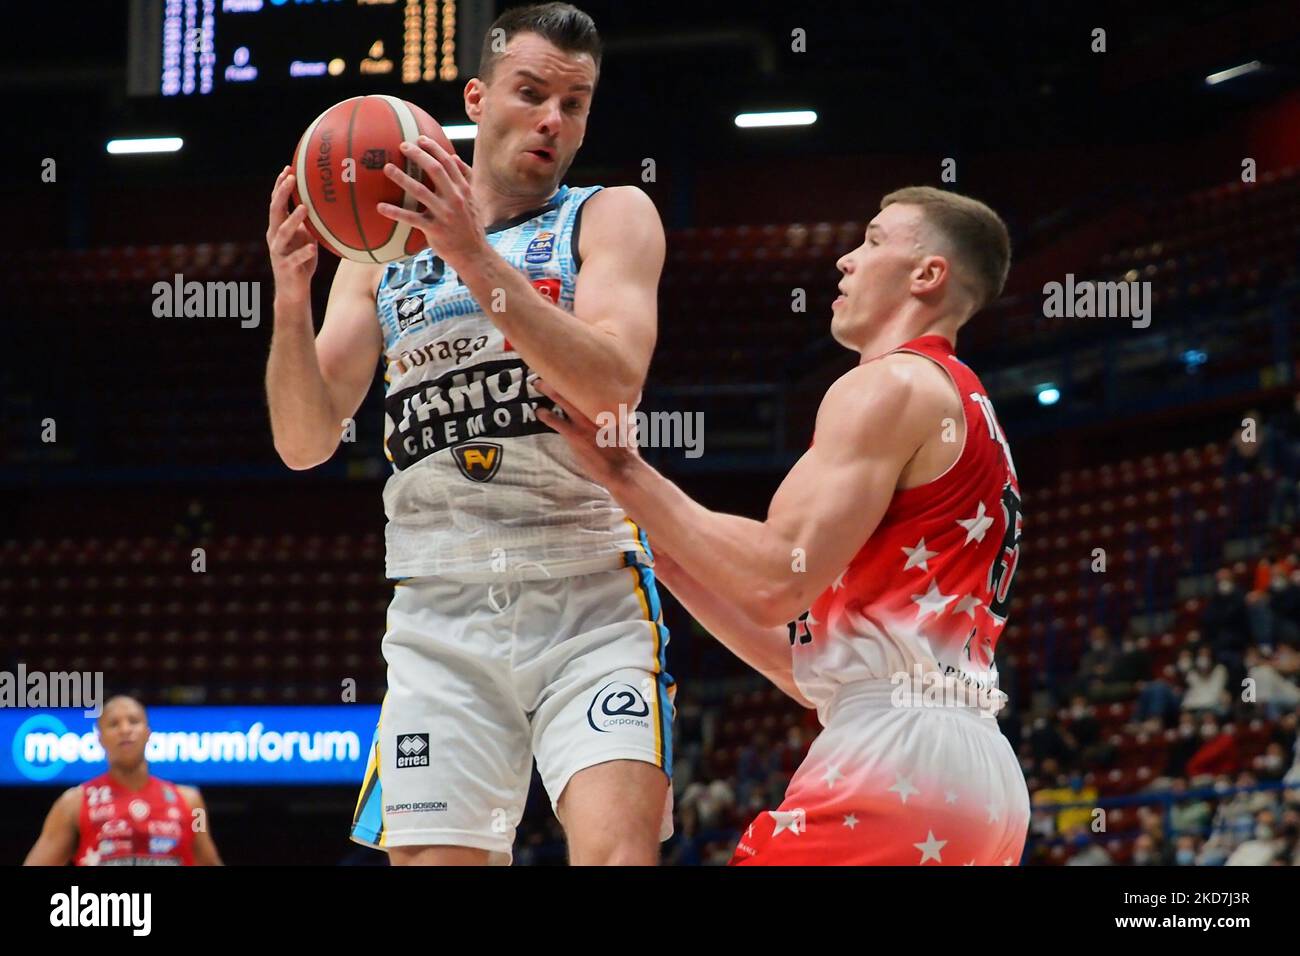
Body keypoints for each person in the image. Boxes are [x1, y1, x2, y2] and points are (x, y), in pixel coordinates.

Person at [265, 3, 672, 866]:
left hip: (588, 591)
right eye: (531, 94)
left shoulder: (610, 215)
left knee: (618, 855)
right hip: (439, 605)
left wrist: (475, 258)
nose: (552, 120)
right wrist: (292, 295)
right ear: (478, 100)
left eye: (575, 103)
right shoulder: (378, 255)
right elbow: (303, 440)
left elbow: (612, 387)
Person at [539, 186, 1030, 864]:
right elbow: (799, 665)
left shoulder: (889, 386)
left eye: (876, 241)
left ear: (928, 275)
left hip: (896, 765)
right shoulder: (966, 406)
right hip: (980, 782)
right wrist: (657, 544)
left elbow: (774, 576)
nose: (847, 261)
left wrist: (626, 473)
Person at [23, 696, 222, 866]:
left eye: (134, 721)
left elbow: (208, 861)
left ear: (148, 733)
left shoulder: (192, 803)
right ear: (100, 738)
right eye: (114, 724)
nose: (125, 729)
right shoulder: (73, 803)